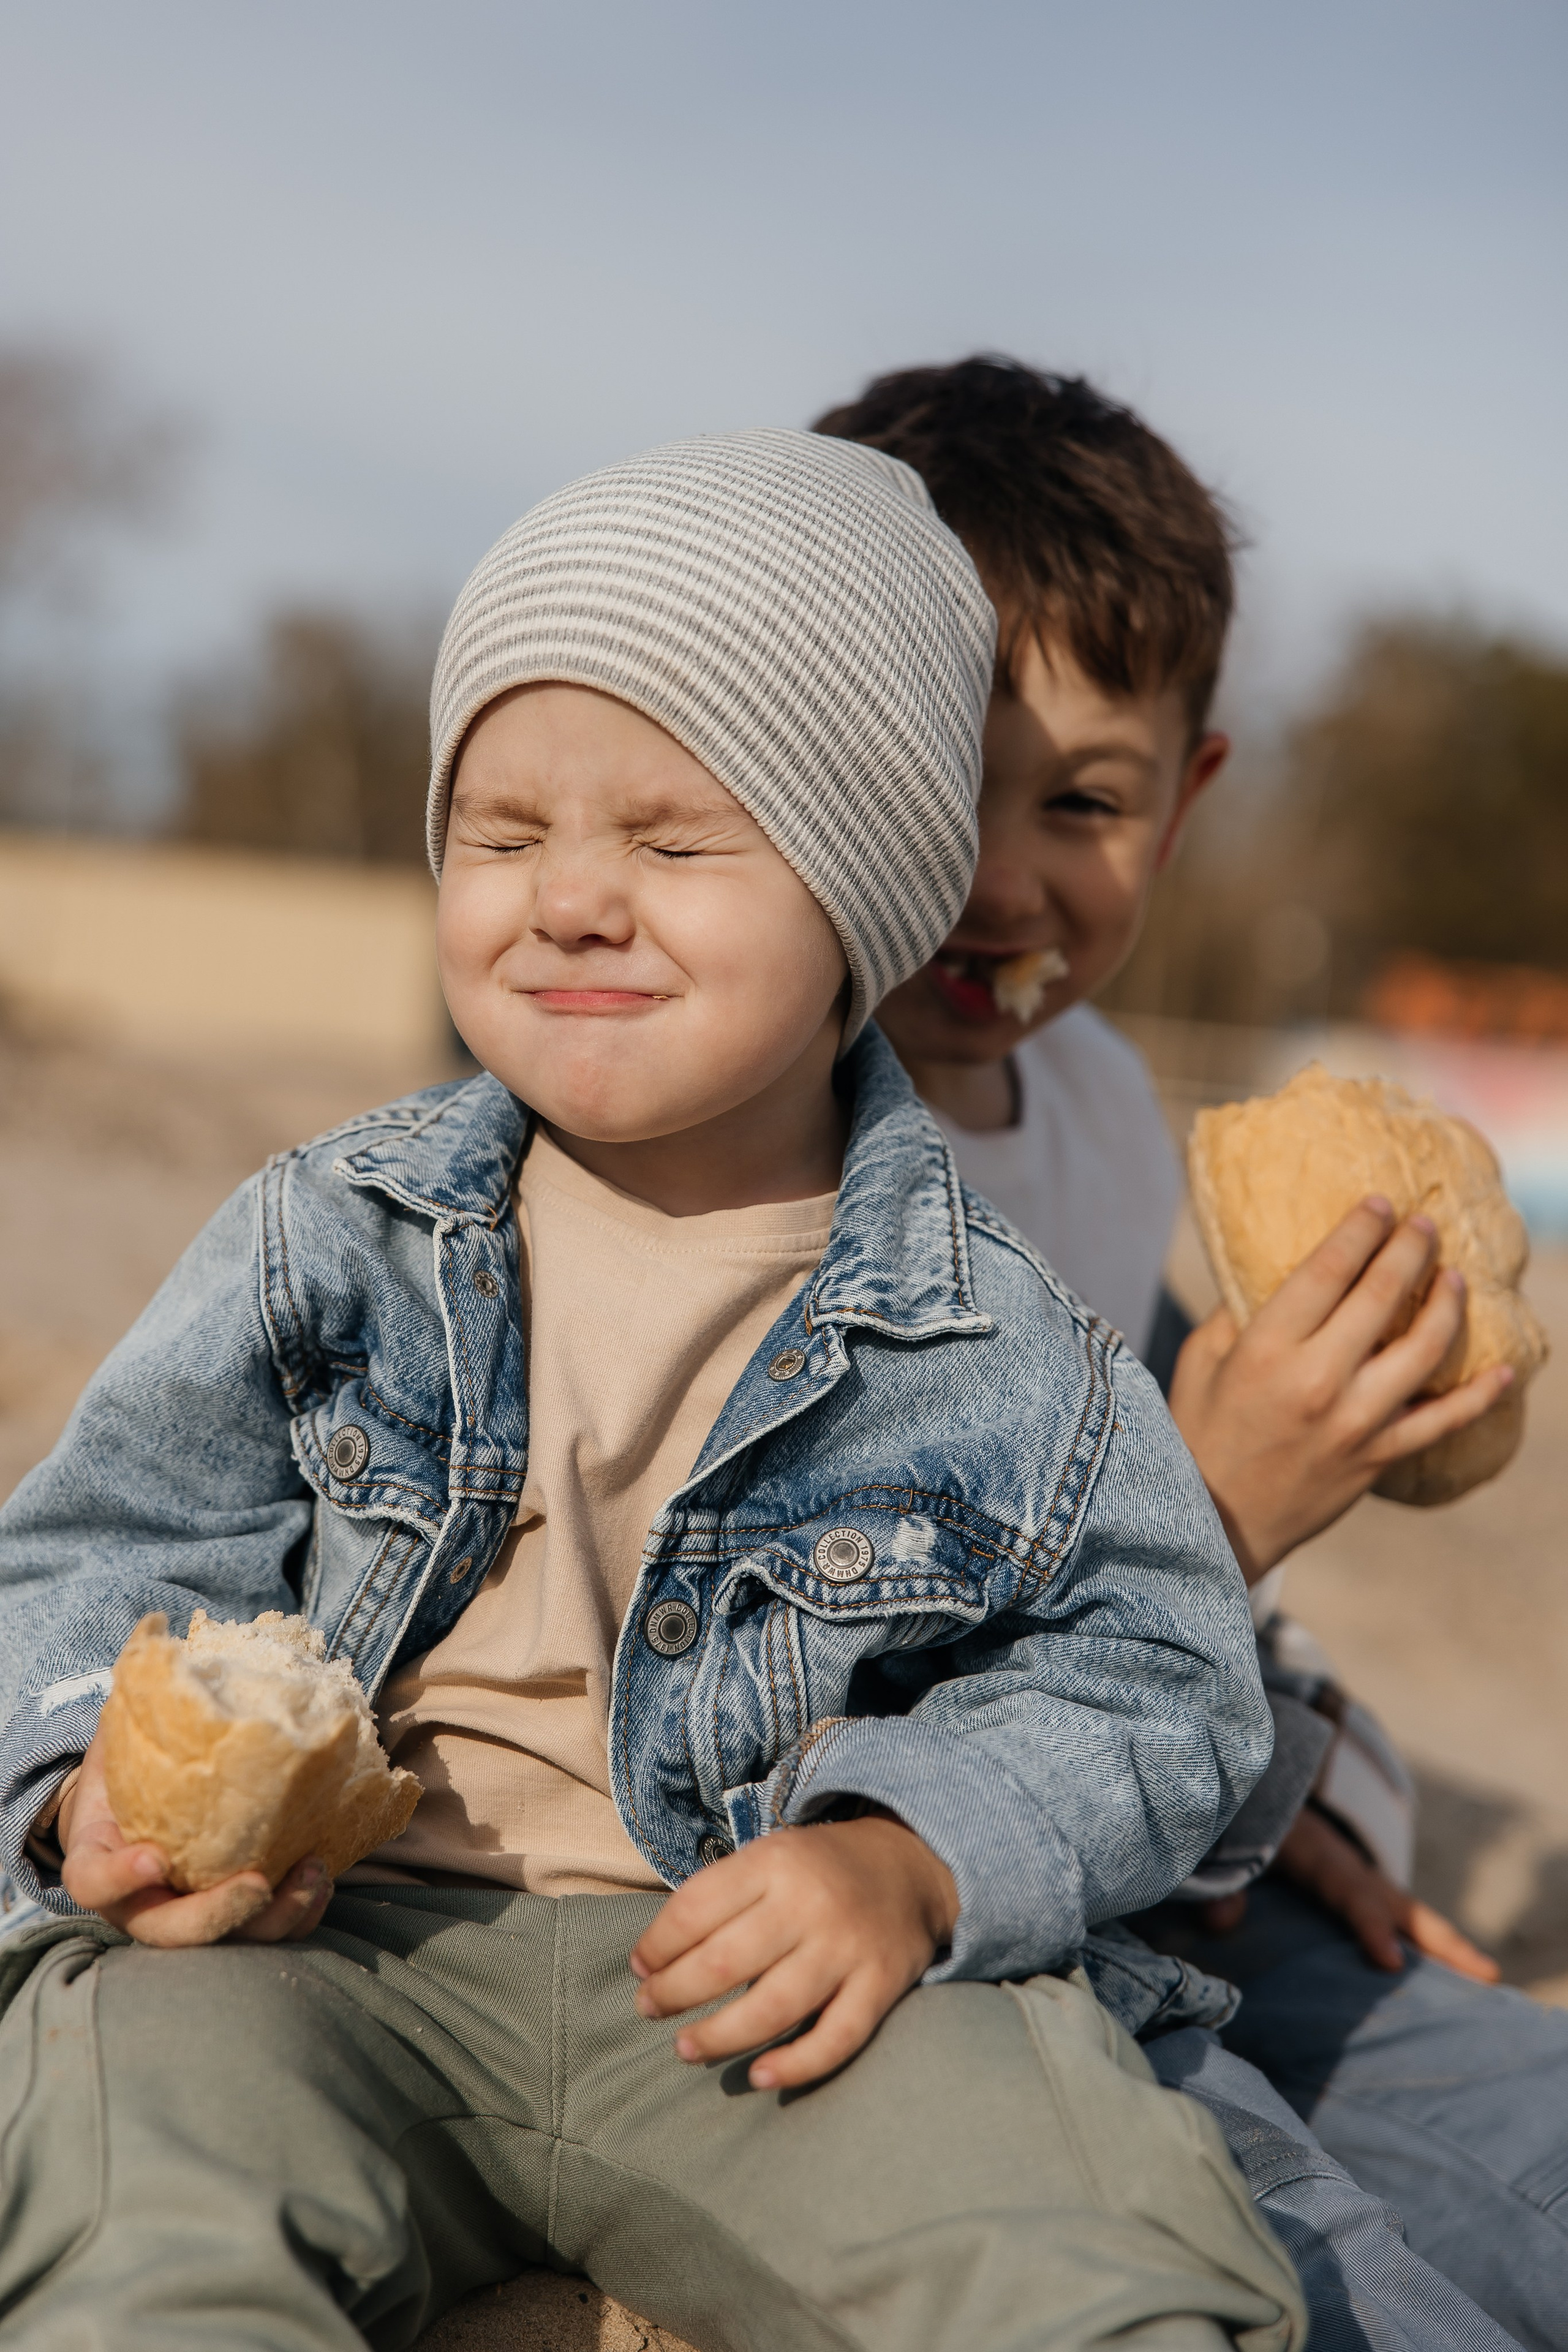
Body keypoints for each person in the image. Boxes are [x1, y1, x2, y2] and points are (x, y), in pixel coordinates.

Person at [0, 431, 1306, 2351]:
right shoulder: (328, 1239)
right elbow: (100, 1551)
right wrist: (72, 1802)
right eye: (502, 836)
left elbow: (1164, 1673)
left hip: (764, 1994)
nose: (571, 902)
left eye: (678, 842)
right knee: (134, 2133)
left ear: (876, 879)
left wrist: (911, 1855)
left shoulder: (1001, 1336)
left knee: (1083, 2226)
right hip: (327, 1955)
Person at [818, 357, 1568, 2352]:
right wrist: (1210, 1517)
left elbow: (1145, 1513)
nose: (1000, 878)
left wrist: (1286, 1754)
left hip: (1156, 1872)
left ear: (1192, 795)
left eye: (1083, 801)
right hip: (937, 1946)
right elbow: (790, 1687)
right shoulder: (735, 1140)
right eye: (932, 773)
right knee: (1332, 2278)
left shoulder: (1109, 1117)